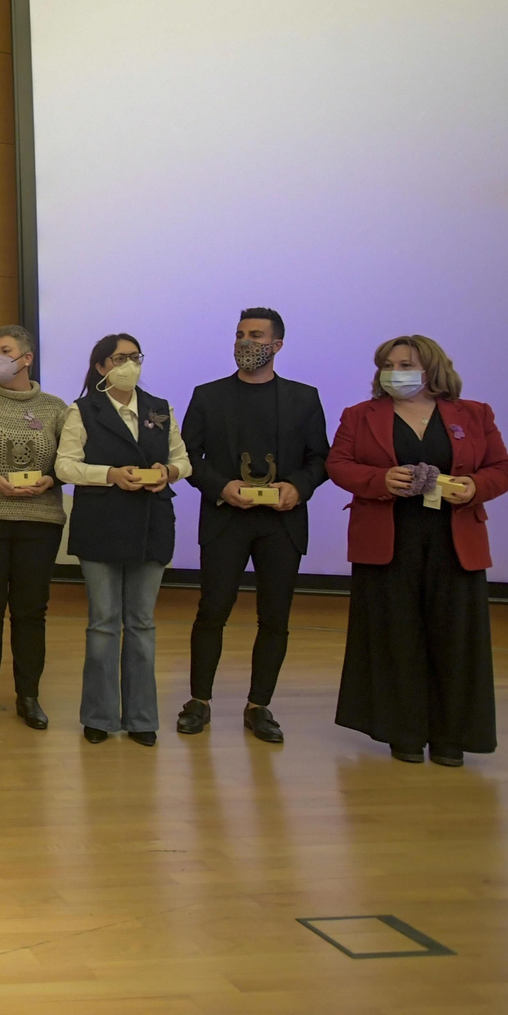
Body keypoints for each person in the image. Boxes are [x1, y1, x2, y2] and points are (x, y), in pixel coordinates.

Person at [327, 335, 508, 767]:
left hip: (454, 542)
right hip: (389, 540)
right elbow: (338, 464)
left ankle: (452, 738)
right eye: (388, 364)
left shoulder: (474, 414)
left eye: (406, 363)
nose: (395, 372)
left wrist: (473, 488)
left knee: (455, 640)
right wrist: (379, 481)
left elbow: (502, 470)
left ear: (431, 368)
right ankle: (403, 734)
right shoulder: (360, 415)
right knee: (396, 637)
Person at [178, 308, 330, 743]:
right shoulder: (208, 396)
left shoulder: (304, 397)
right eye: (241, 334)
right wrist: (221, 486)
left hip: (281, 523)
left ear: (277, 345)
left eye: (256, 335)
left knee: (275, 618)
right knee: (212, 611)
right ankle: (198, 700)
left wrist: (298, 488)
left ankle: (259, 705)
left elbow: (320, 458)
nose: (246, 342)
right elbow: (188, 456)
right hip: (227, 519)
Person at [54, 334, 189, 746]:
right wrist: (109, 474)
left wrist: (168, 473)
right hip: (101, 525)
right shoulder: (82, 410)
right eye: (119, 358)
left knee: (142, 623)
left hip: (152, 524)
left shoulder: (159, 408)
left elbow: (182, 459)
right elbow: (65, 466)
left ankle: (142, 717)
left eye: (135, 357)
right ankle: (99, 715)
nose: (129, 364)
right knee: (104, 624)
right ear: (101, 367)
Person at [0, 325, 67, 730]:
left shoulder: (57, 409)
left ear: (27, 358)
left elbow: (70, 461)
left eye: (5, 351)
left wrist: (52, 478)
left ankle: (28, 696)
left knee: (30, 611)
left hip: (40, 522)